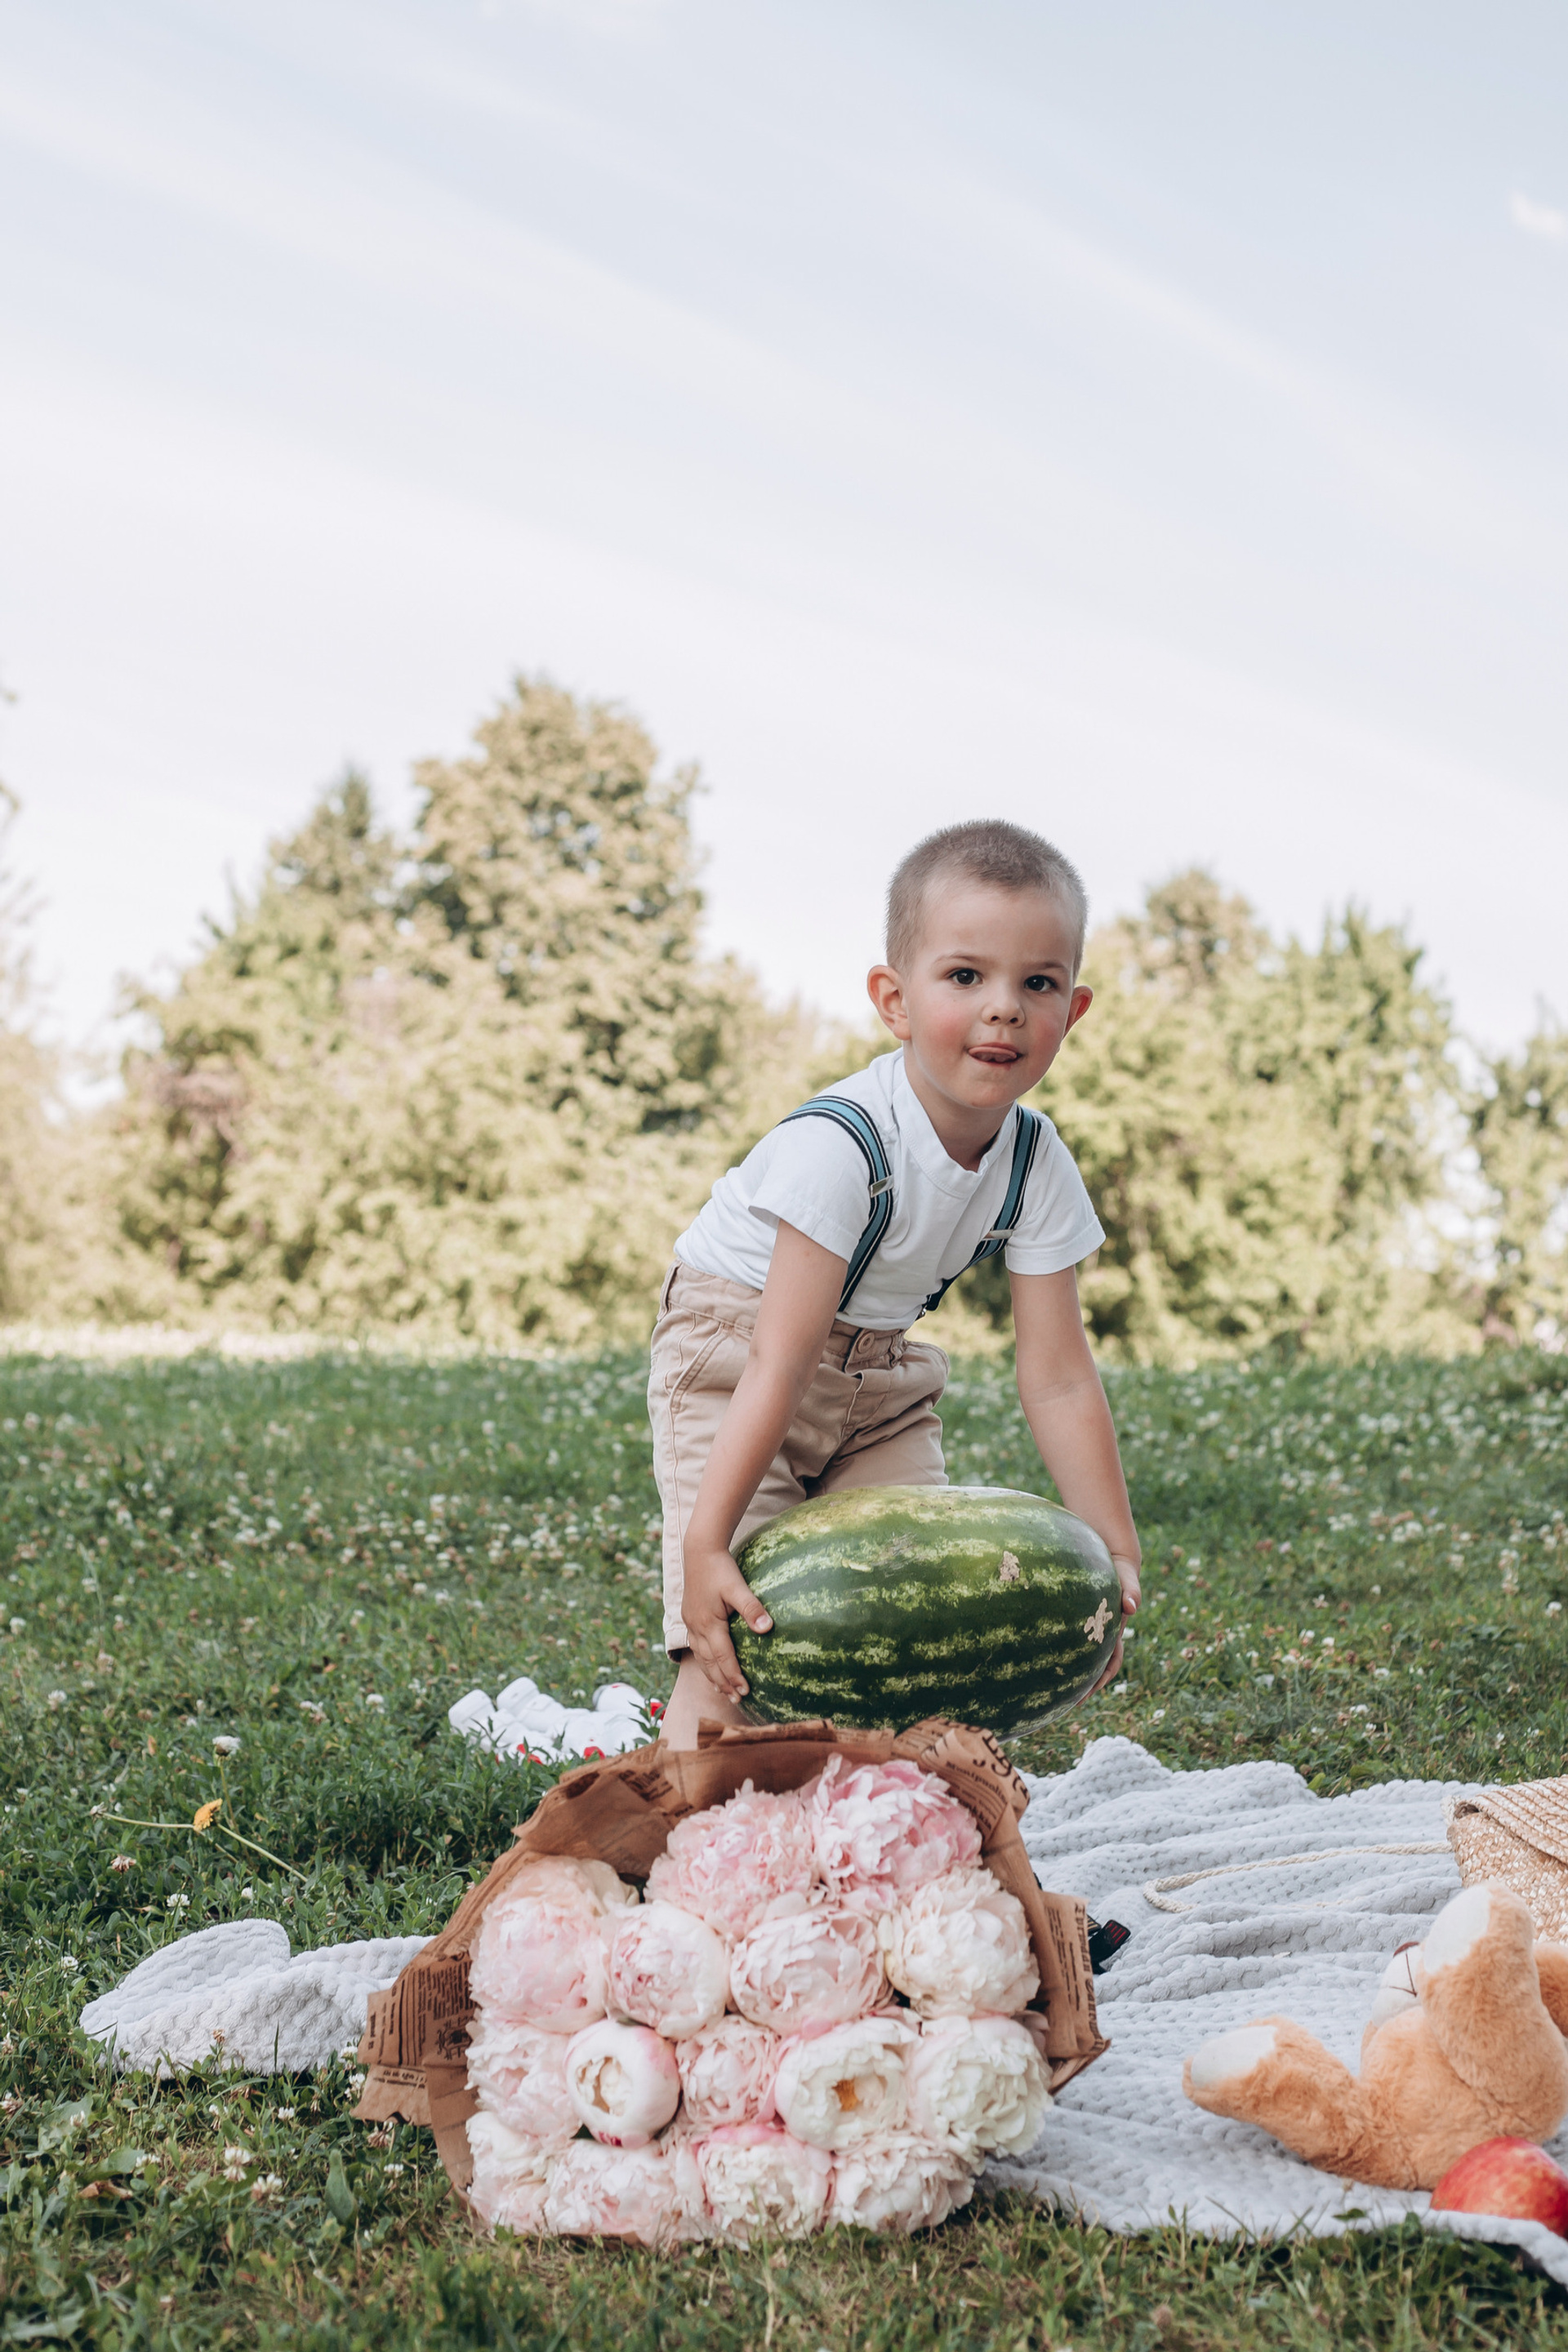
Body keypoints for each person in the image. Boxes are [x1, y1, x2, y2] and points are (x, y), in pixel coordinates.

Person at [648, 817, 1142, 1750]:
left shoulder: (1037, 1163)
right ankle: (687, 1830)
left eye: (1037, 984)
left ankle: (887, 1832)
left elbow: (1059, 1376)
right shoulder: (838, 1148)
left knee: (925, 1611)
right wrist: (705, 1547)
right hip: (737, 1352)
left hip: (879, 1378)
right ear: (895, 1000)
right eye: (965, 976)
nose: (1004, 1009)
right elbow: (780, 1363)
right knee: (742, 1638)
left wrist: (1111, 1547)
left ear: (1073, 1012)